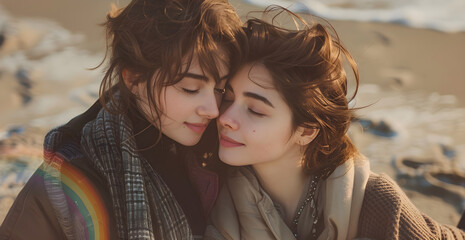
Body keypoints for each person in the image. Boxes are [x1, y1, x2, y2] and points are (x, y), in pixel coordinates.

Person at [204, 7, 465, 240]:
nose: (224, 118)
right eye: (227, 98)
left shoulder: (376, 205)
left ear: (306, 130)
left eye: (255, 110)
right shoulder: (218, 201)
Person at [0, 0, 243, 239]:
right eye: (190, 88)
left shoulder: (227, 155)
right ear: (134, 79)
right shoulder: (66, 184)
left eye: (220, 90)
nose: (212, 110)